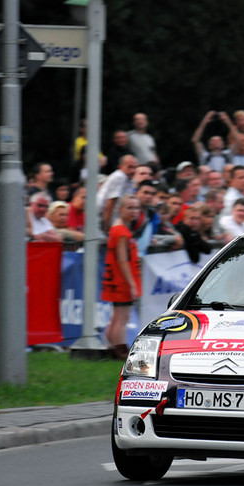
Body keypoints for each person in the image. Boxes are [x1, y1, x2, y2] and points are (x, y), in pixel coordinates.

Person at [102, 194, 143, 360]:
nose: (134, 211)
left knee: (117, 317)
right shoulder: (121, 232)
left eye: (136, 208)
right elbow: (122, 259)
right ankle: (120, 350)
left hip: (117, 279)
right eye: (130, 207)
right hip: (122, 280)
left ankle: (112, 347)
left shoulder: (118, 229)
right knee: (122, 317)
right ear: (120, 209)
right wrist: (131, 283)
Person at [96, 154, 138, 233]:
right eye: (130, 167)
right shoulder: (119, 176)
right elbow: (109, 205)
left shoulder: (131, 180)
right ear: (120, 167)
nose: (132, 170)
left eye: (134, 167)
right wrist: (106, 228)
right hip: (99, 219)